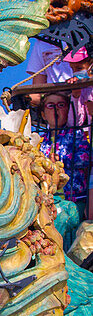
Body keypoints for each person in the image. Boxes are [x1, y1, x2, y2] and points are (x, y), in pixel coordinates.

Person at [38, 91, 93, 220]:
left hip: (74, 198)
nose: (56, 109)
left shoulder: (76, 134)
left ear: (67, 111)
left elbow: (86, 157)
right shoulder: (40, 140)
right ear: (43, 115)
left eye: (61, 105)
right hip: (49, 198)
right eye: (50, 106)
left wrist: (61, 160)